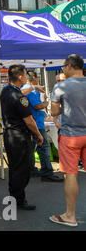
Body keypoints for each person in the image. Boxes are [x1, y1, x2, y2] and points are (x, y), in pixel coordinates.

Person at [49, 54, 86, 227]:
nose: (62, 68)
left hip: (71, 135)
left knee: (71, 174)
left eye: (63, 66)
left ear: (70, 66)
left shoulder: (61, 86)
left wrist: (66, 103)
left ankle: (70, 216)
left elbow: (54, 112)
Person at [0, 64, 43, 211]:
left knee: (14, 168)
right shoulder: (19, 97)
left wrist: (33, 88)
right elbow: (29, 121)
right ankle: (19, 199)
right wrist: (38, 134)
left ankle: (14, 196)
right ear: (20, 77)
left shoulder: (6, 91)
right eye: (25, 75)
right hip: (20, 137)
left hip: (10, 134)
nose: (26, 77)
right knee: (22, 169)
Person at [21, 71, 63, 182]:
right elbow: (38, 105)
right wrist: (46, 102)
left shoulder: (26, 88)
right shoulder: (32, 91)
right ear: (33, 78)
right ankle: (46, 172)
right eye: (38, 77)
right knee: (43, 148)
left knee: (32, 148)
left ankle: (32, 170)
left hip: (32, 122)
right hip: (37, 124)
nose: (39, 80)